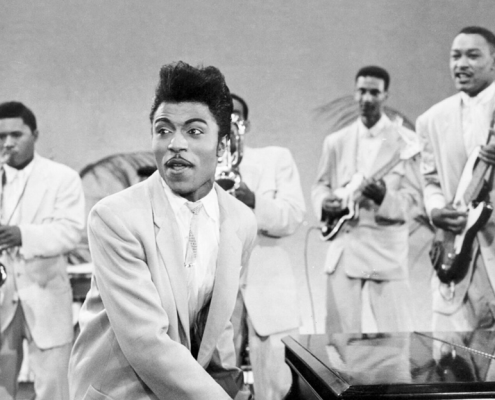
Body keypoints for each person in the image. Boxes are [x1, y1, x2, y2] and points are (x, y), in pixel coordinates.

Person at [69, 62, 257, 400]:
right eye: (164, 130)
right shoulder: (115, 218)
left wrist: (231, 385)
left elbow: (218, 324)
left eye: (194, 131)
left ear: (222, 145)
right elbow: (146, 343)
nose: (175, 144)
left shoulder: (241, 221)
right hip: (121, 391)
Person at [312, 66, 422, 333]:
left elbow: (415, 202)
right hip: (344, 248)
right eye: (362, 91)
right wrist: (325, 202)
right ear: (355, 93)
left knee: (396, 341)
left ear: (385, 96)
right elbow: (321, 185)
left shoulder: (406, 143)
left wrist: (384, 197)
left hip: (386, 255)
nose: (367, 98)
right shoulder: (336, 141)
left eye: (374, 92)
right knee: (339, 342)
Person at [0, 102, 85, 400]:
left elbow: (70, 232)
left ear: (35, 135)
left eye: (16, 134)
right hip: (2, 300)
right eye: (1, 136)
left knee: (54, 388)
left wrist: (22, 235)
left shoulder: (63, 178)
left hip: (46, 296)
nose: (7, 143)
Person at [417, 26, 495, 331]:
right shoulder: (431, 120)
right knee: (451, 355)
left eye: (472, 55)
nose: (461, 64)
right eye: (455, 56)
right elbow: (431, 180)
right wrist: (435, 209)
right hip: (457, 259)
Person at [229, 94, 306, 400]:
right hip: (219, 290)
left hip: (269, 287)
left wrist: (254, 201)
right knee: (215, 384)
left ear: (246, 125)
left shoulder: (275, 158)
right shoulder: (199, 168)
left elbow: (293, 215)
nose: (229, 120)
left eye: (235, 115)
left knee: (277, 387)